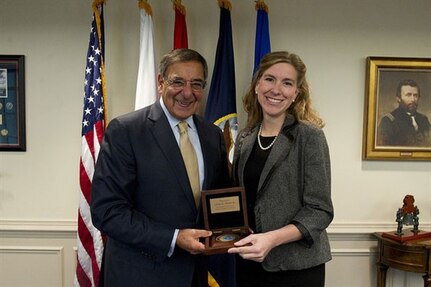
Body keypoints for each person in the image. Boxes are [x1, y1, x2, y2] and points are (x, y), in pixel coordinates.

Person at [90, 48, 231, 287]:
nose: (187, 93)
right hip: (140, 275)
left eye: (196, 84)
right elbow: (107, 212)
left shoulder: (212, 135)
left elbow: (216, 201)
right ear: (160, 82)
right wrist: (175, 238)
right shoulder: (126, 131)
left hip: (195, 276)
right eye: (178, 82)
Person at [228, 51, 334, 287]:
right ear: (257, 85)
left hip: (296, 268)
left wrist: (271, 239)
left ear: (296, 93)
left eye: (287, 83)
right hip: (249, 263)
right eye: (269, 79)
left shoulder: (309, 136)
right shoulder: (245, 138)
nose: (276, 90)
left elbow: (320, 210)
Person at [377, 79, 431, 147]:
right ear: (398, 98)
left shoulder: (424, 120)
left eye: (415, 95)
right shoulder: (388, 121)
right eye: (408, 95)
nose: (413, 99)